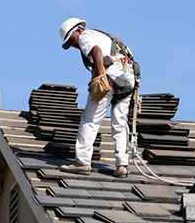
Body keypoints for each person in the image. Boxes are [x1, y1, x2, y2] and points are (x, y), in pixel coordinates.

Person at [58, 18, 136, 178]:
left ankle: (82, 161)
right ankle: (122, 165)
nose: (73, 45)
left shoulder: (85, 36)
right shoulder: (106, 38)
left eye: (71, 39)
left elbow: (96, 51)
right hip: (128, 78)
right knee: (120, 122)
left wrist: (100, 77)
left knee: (90, 118)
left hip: (111, 72)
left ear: (77, 30)